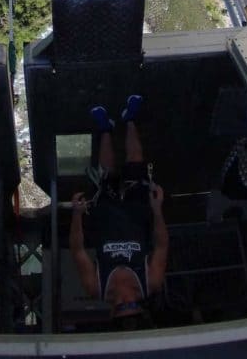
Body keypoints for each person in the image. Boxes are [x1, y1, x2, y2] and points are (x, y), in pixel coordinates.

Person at [69, 95, 168, 328]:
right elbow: (162, 245)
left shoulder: (97, 287)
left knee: (106, 174)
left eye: (119, 307)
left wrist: (76, 215)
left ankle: (106, 129)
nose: (124, 300)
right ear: (139, 306)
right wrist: (157, 210)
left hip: (106, 219)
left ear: (113, 311)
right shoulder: (150, 281)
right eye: (130, 305)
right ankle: (129, 119)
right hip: (137, 216)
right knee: (135, 164)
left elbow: (78, 251)